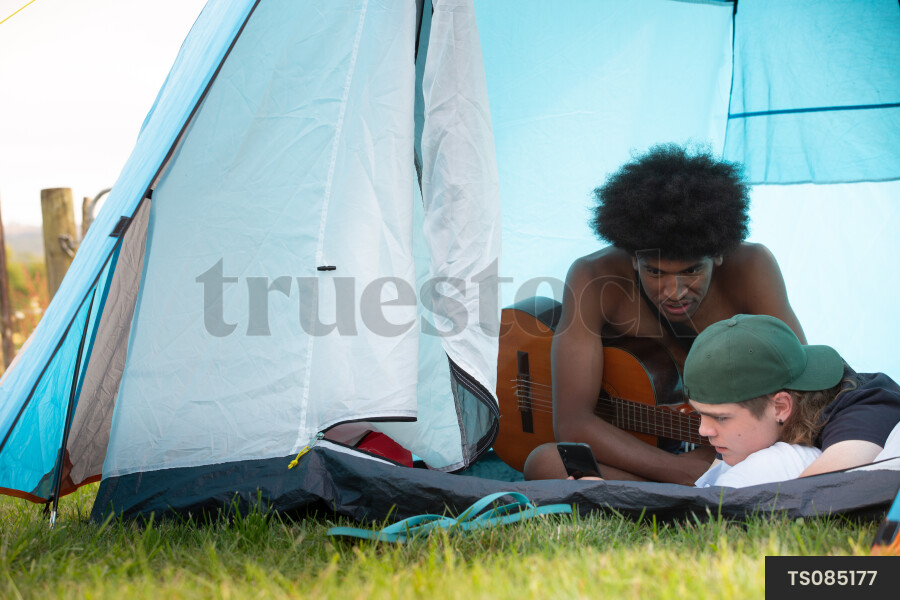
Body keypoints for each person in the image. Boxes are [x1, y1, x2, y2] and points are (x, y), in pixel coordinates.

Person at [523, 144, 806, 484]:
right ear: (633, 258)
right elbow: (572, 422)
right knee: (546, 462)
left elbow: (803, 388)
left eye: (690, 272)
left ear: (717, 254)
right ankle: (692, 493)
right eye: (655, 273)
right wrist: (680, 471)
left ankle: (661, 497)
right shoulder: (593, 277)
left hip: (727, 446)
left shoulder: (753, 267)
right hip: (652, 456)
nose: (673, 291)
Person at [684, 314, 900, 487]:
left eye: (721, 418)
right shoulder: (749, 420)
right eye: (701, 413)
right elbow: (708, 495)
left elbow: (815, 497)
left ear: (780, 407)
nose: (704, 430)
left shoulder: (862, 409)